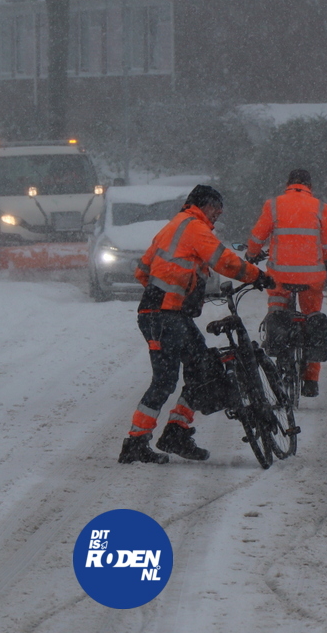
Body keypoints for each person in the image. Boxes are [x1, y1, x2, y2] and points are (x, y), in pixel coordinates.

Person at [119, 184, 273, 465]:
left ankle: (174, 433)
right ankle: (136, 442)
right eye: (216, 208)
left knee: (202, 370)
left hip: (163, 314)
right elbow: (223, 260)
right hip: (165, 316)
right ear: (202, 205)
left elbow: (143, 271)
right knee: (166, 380)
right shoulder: (193, 227)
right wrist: (256, 276)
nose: (219, 213)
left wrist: (179, 290)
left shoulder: (173, 227)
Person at [246, 169, 327, 398]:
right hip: (311, 278)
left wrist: (252, 253)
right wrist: (323, 259)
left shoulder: (273, 205)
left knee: (277, 310)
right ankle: (310, 380)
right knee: (312, 318)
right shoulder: (320, 207)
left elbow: (258, 236)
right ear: (309, 186)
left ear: (288, 184)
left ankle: (279, 354)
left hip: (280, 277)